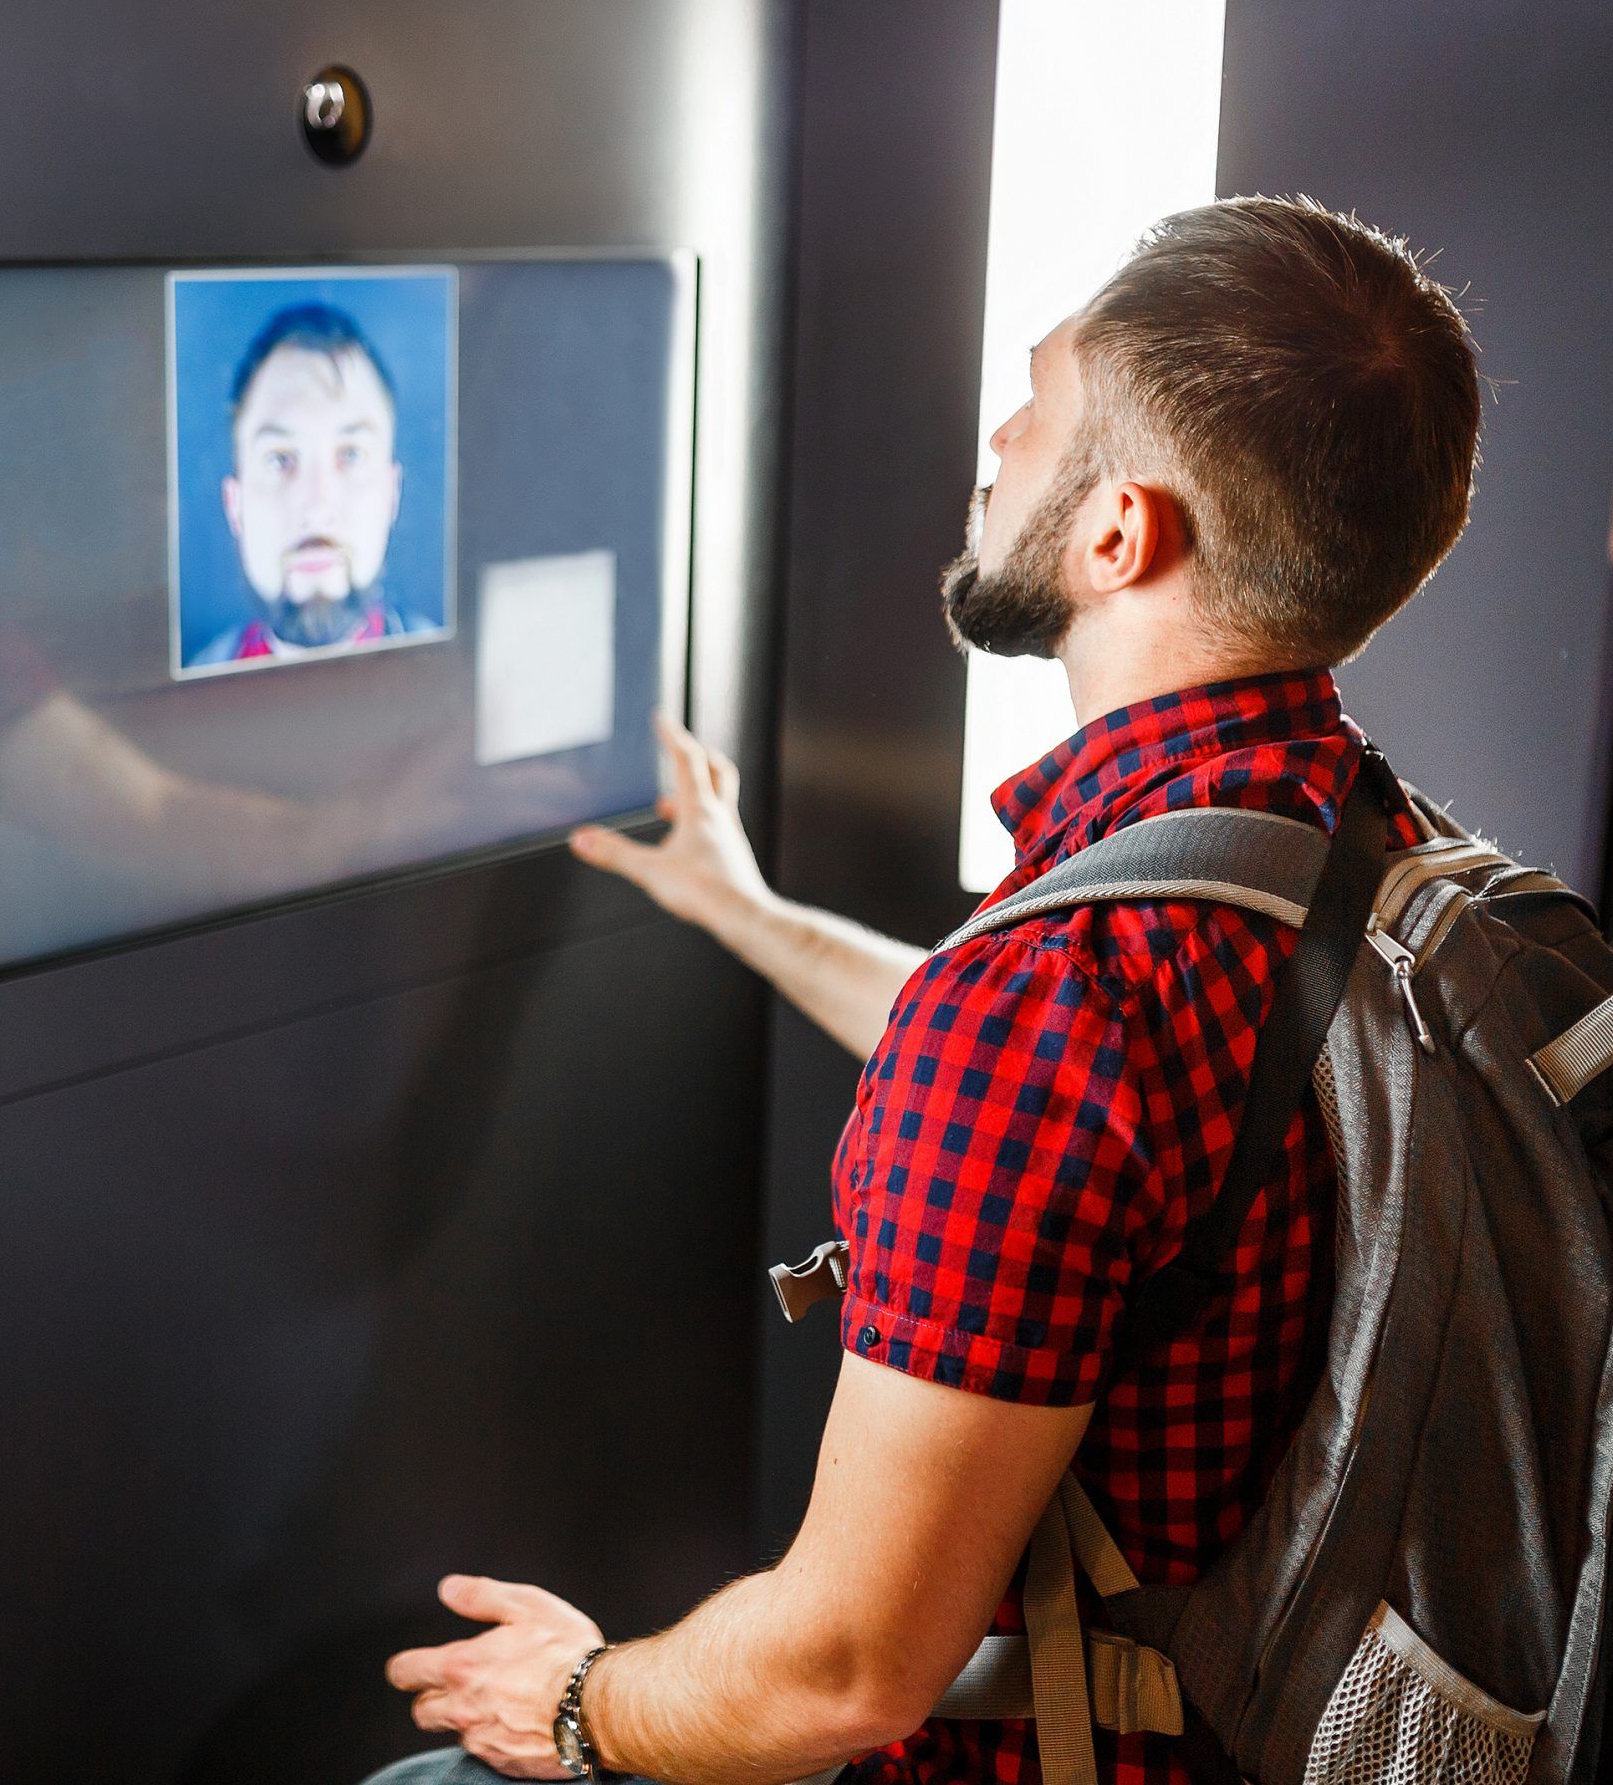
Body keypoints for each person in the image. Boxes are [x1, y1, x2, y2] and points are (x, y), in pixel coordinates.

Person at [368, 195, 1481, 1785]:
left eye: (1036, 405)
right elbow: (1105, 1123)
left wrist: (573, 1700)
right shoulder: (1374, 854)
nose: (1000, 444)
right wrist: (747, 911)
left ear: (1118, 536)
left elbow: (845, 1671)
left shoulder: (1053, 1002)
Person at [188, 301, 436, 668]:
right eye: (279, 459)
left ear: (391, 495)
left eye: (351, 455)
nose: (317, 508)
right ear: (235, 507)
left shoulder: (464, 673)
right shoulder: (185, 687)